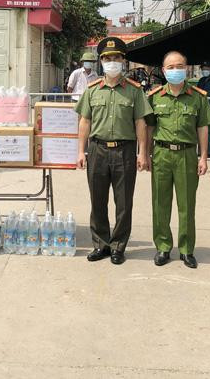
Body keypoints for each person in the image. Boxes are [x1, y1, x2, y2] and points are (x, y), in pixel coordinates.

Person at [76, 37, 152, 265]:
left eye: (116, 58)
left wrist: (142, 153)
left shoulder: (134, 91)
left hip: (125, 151)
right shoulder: (91, 91)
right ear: (101, 61)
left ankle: (118, 246)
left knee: (123, 202)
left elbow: (141, 123)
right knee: (97, 200)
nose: (112, 62)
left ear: (123, 61)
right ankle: (101, 244)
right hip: (97, 149)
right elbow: (84, 122)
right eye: (107, 59)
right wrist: (81, 151)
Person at [146, 51, 210, 268]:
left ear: (186, 69)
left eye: (180, 66)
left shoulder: (198, 97)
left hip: (187, 154)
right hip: (161, 154)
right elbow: (149, 128)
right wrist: (145, 154)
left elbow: (202, 128)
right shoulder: (154, 96)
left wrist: (203, 157)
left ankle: (186, 249)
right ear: (164, 70)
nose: (175, 70)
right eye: (171, 67)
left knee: (187, 204)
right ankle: (163, 247)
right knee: (160, 203)